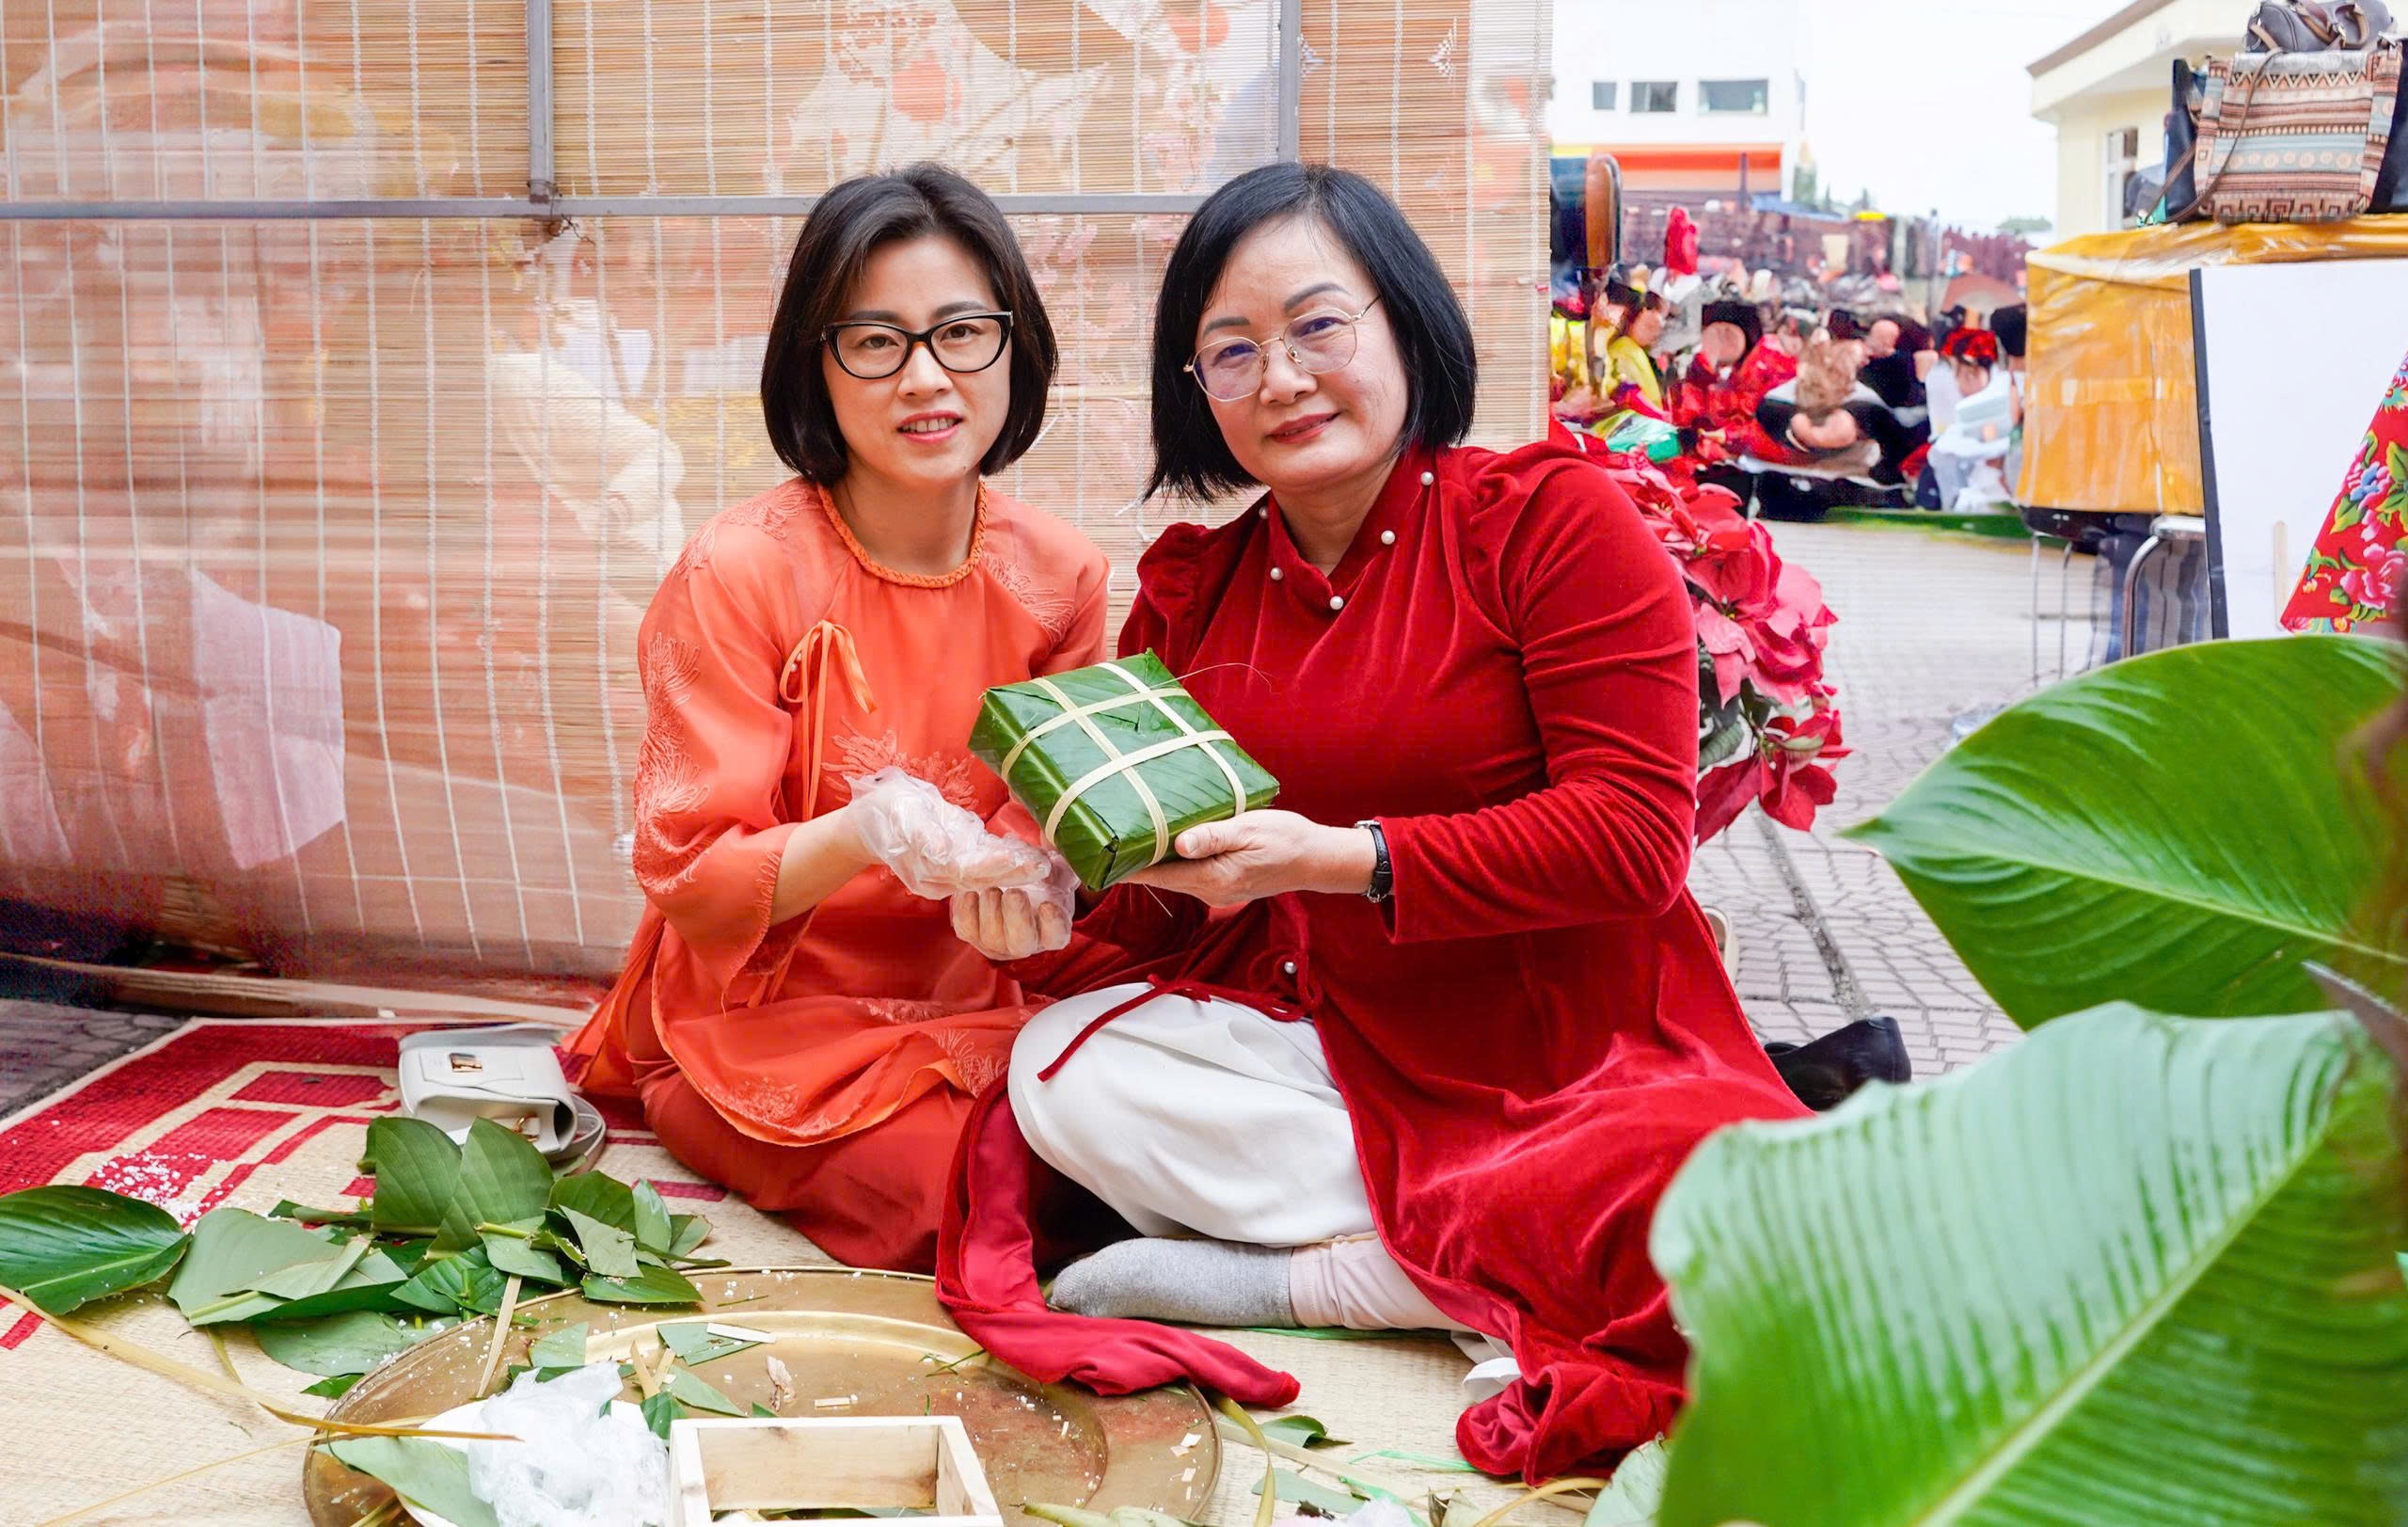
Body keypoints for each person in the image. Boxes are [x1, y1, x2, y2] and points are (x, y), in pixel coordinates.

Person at [936, 163, 1836, 1484]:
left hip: (1565, 1044)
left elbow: (1638, 838)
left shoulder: (1551, 524)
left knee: (1750, 1229)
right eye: (1228, 352)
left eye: (1317, 326)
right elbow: (1154, 902)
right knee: (1062, 1064)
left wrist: (1347, 858)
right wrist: (1044, 899)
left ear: (1405, 323)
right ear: (1198, 392)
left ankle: (1347, 1274)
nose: (1282, 379)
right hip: (1325, 1043)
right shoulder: (1197, 589)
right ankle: (1457, 1256)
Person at [566, 164, 1111, 1274]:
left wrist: (1037, 875)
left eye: (962, 332)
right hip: (756, 1030)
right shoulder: (740, 571)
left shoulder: (1063, 577)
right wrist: (866, 832)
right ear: (814, 365)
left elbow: (1049, 820)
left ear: (1017, 347)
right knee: (964, 1200)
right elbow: (693, 879)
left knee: (1134, 1153)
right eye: (875, 341)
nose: (926, 377)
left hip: (973, 1015)